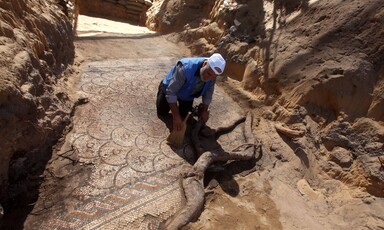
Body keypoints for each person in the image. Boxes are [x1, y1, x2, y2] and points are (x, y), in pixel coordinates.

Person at [156, 53, 226, 131]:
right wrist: (175, 116)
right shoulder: (185, 68)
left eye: (213, 77)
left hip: (186, 95)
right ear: (205, 64)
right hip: (169, 88)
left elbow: (208, 92)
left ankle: (194, 109)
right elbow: (171, 92)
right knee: (162, 112)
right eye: (208, 74)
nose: (209, 78)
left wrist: (205, 110)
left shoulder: (212, 74)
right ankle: (163, 92)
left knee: (184, 116)